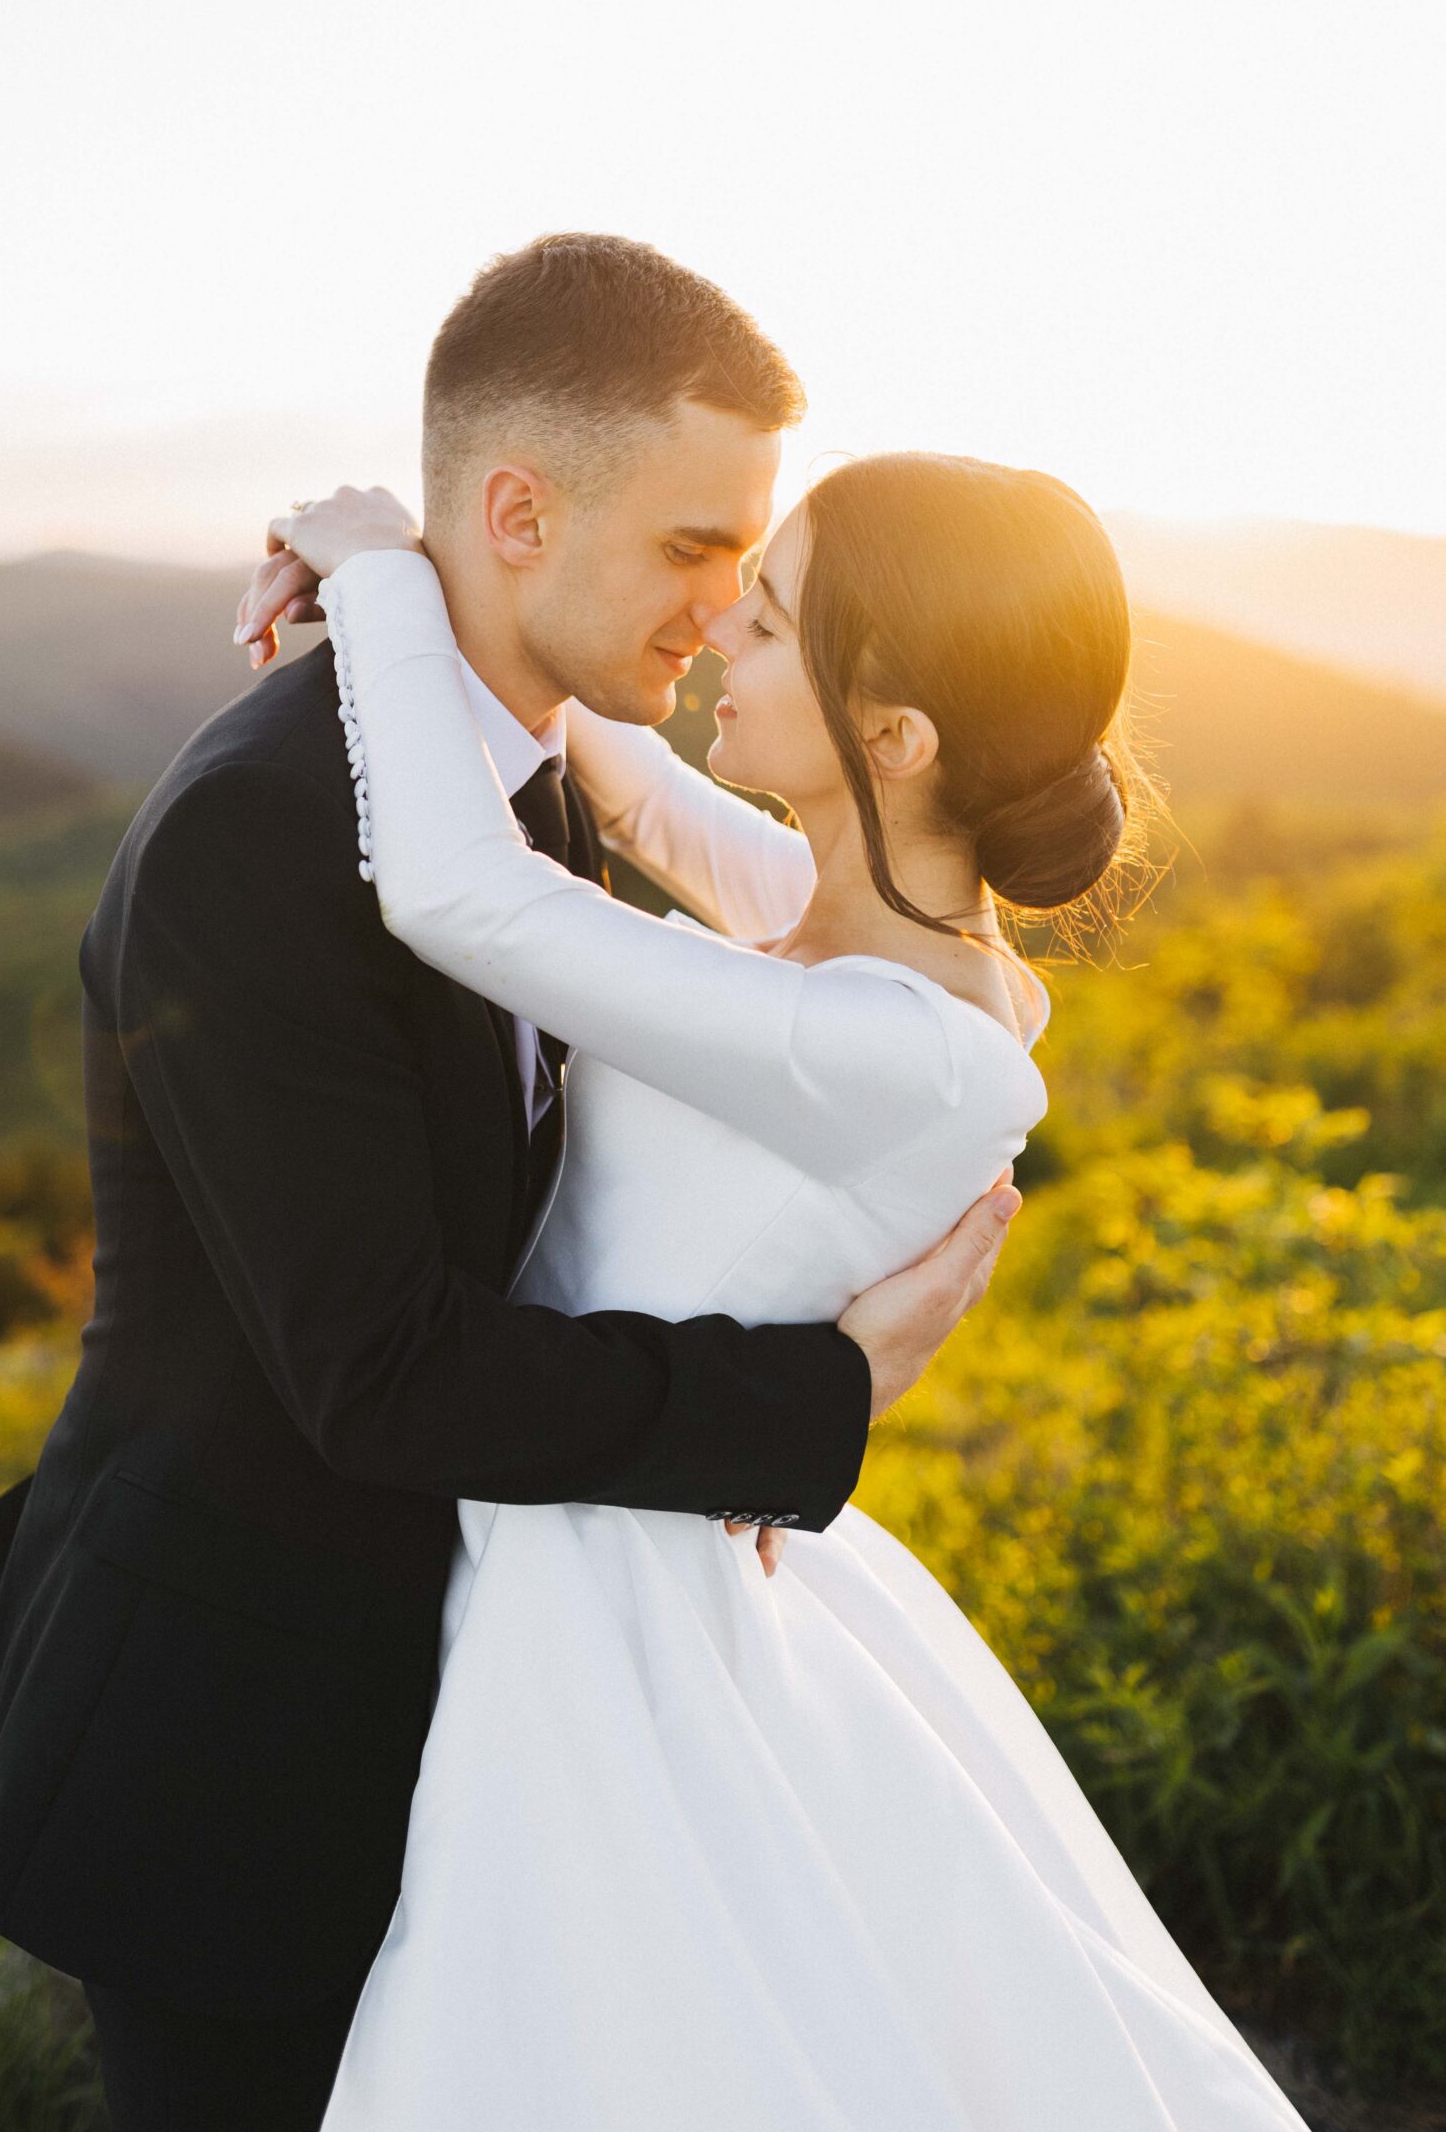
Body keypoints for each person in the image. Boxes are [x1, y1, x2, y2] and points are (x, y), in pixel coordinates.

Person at [0, 235, 1018, 2132]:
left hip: (465, 1700)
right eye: (691, 549)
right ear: (516, 510)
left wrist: (382, 580)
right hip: (230, 1742)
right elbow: (383, 1371)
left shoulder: (542, 773)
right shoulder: (259, 834)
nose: (729, 607)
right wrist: (814, 1394)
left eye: (749, 563)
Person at [243, 451, 1309, 2129]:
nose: (726, 621)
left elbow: (462, 893)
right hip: (589, 1509)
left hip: (594, 1597)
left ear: (895, 738)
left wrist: (378, 567)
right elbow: (646, 800)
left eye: (775, 613)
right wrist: (482, 603)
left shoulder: (899, 1053)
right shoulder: (876, 955)